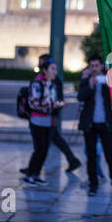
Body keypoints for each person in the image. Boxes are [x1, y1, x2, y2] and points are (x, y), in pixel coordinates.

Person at [20, 54, 81, 176]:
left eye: (42, 62)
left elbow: (56, 99)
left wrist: (54, 114)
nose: (40, 64)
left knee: (45, 146)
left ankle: (34, 170)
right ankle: (33, 170)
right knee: (44, 146)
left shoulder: (53, 81)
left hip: (48, 117)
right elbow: (35, 101)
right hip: (40, 118)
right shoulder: (40, 80)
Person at [77, 54, 112, 196]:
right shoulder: (86, 79)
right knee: (91, 157)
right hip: (90, 125)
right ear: (89, 67)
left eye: (97, 66)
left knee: (110, 156)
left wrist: (110, 84)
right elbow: (80, 96)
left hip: (106, 124)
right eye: (92, 66)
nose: (94, 69)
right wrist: (89, 84)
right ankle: (93, 185)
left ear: (101, 66)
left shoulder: (108, 79)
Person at [22, 58, 63, 187]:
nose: (55, 71)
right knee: (39, 150)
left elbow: (54, 100)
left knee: (44, 150)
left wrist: (56, 104)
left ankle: (36, 175)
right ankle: (29, 175)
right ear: (45, 70)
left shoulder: (52, 84)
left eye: (55, 69)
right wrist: (52, 104)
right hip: (37, 121)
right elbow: (33, 103)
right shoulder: (37, 83)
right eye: (52, 69)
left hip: (47, 121)